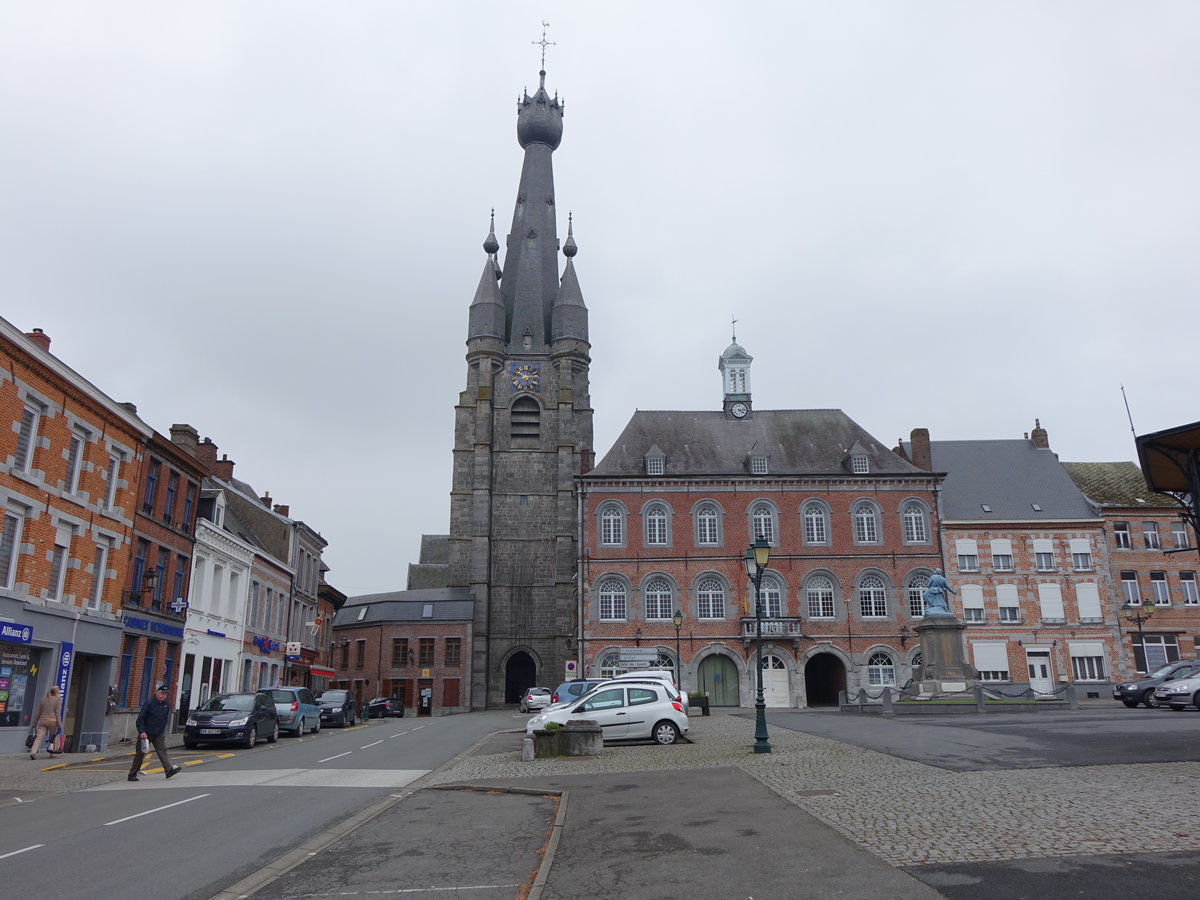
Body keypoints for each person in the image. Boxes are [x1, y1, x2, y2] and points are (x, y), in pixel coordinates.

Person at [129, 683, 181, 782]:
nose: (163, 696)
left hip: (158, 733)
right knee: (140, 754)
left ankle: (168, 770)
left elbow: (165, 718)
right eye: (162, 693)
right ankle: (132, 774)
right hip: (146, 733)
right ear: (157, 693)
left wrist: (162, 730)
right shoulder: (149, 703)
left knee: (162, 751)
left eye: (166, 694)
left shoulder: (166, 704)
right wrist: (142, 732)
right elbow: (140, 719)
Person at [30, 686, 61, 760]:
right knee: (53, 738)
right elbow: (57, 712)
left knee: (38, 737)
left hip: (42, 721)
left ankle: (33, 752)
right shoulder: (58, 700)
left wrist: (34, 723)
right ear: (56, 692)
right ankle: (51, 753)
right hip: (52, 721)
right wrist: (59, 723)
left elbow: (38, 712)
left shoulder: (43, 699)